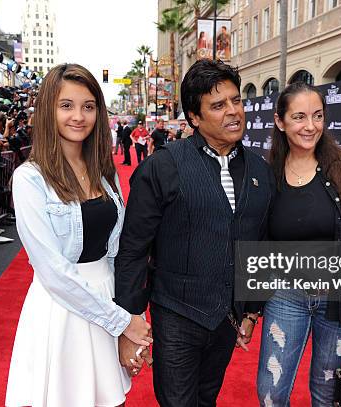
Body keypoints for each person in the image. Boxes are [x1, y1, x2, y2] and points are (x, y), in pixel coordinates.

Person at [114, 59, 275, 406]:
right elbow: (133, 250)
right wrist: (128, 323)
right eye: (218, 105)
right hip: (176, 315)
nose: (233, 112)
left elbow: (260, 244)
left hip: (226, 318)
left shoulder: (260, 170)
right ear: (195, 117)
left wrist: (250, 311)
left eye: (236, 101)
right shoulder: (161, 167)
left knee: (207, 399)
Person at [5, 63, 152, 407]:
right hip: (63, 309)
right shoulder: (30, 178)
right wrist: (121, 322)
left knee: (108, 399)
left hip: (106, 299)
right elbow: (53, 271)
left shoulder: (104, 173)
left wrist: (132, 315)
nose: (79, 116)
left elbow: (120, 251)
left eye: (88, 106)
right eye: (66, 105)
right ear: (48, 111)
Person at [257, 81, 341, 406]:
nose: (310, 126)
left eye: (317, 115)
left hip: (338, 302)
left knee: (328, 396)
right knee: (270, 394)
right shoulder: (267, 174)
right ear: (280, 121)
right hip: (285, 296)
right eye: (299, 116)